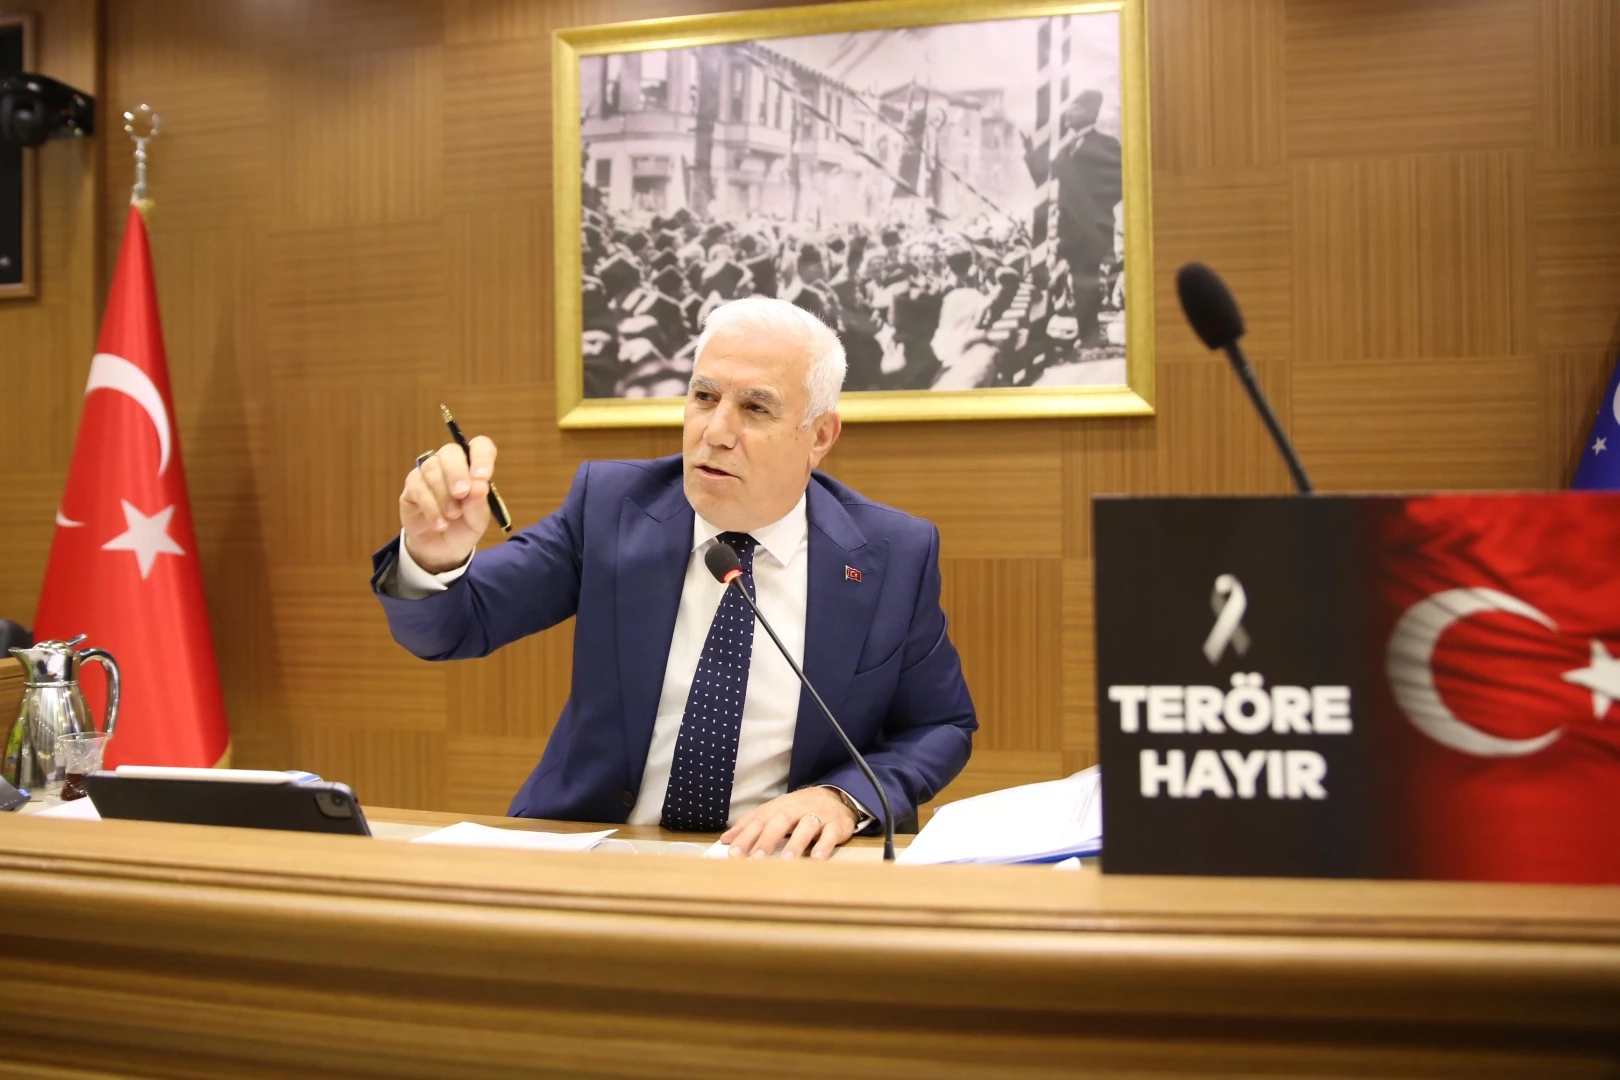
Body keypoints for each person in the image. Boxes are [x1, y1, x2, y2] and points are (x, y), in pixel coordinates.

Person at [372, 297, 976, 859]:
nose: (715, 432)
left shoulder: (891, 553)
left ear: (819, 435)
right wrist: (432, 556)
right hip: (600, 851)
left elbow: (939, 725)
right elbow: (452, 628)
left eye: (756, 408)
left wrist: (842, 798)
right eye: (704, 397)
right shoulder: (612, 508)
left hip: (780, 867)